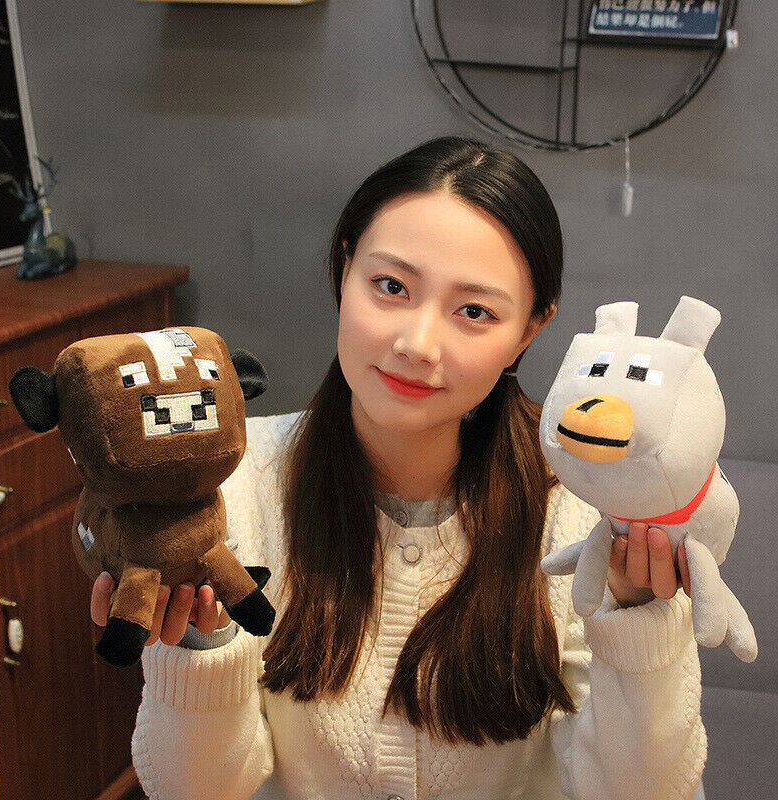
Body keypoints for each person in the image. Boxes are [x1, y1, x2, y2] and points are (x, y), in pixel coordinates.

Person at [91, 136, 703, 800]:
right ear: (344, 270)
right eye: (391, 286)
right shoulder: (227, 488)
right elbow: (195, 790)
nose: (417, 344)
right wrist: (197, 648)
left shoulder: (585, 511)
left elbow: (645, 792)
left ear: (529, 330)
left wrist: (639, 625)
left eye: (474, 311)